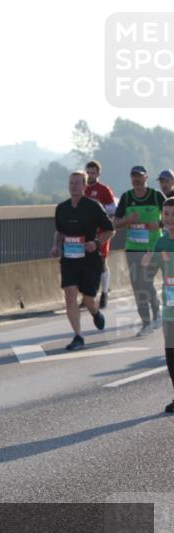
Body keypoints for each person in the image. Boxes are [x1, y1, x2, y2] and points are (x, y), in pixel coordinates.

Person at [50, 171, 114, 351]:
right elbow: (59, 231)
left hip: (89, 260)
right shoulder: (61, 208)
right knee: (70, 296)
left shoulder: (94, 207)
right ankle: (78, 336)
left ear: (85, 186)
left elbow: (110, 230)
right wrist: (55, 246)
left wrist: (96, 243)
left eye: (77, 183)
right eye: (71, 183)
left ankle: (95, 312)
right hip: (69, 260)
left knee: (88, 300)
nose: (73, 186)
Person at [113, 165, 166, 336]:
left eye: (139, 176)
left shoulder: (156, 196)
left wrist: (157, 224)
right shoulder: (127, 198)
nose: (136, 179)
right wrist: (128, 219)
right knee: (137, 286)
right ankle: (146, 322)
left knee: (147, 281)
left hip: (154, 246)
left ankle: (157, 314)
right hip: (133, 247)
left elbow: (170, 216)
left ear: (146, 178)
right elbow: (115, 223)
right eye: (133, 176)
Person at [142, 197, 174, 413]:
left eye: (173, 214)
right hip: (170, 307)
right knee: (171, 354)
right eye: (166, 214)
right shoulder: (161, 242)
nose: (169, 219)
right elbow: (150, 270)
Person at [84, 160, 117, 308]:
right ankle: (86, 296)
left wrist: (99, 209)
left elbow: (112, 209)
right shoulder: (82, 188)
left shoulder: (104, 190)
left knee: (102, 262)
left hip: (101, 232)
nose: (90, 175)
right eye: (88, 173)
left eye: (93, 173)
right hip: (85, 232)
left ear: (98, 173)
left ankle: (104, 293)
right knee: (83, 263)